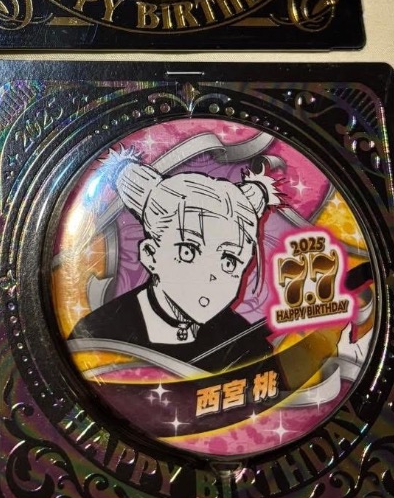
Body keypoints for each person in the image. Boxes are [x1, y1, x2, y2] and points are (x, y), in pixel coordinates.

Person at [69, 158, 280, 371]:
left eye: (229, 261)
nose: (210, 276)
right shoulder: (100, 334)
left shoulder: (247, 345)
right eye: (188, 251)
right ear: (150, 254)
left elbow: (273, 389)